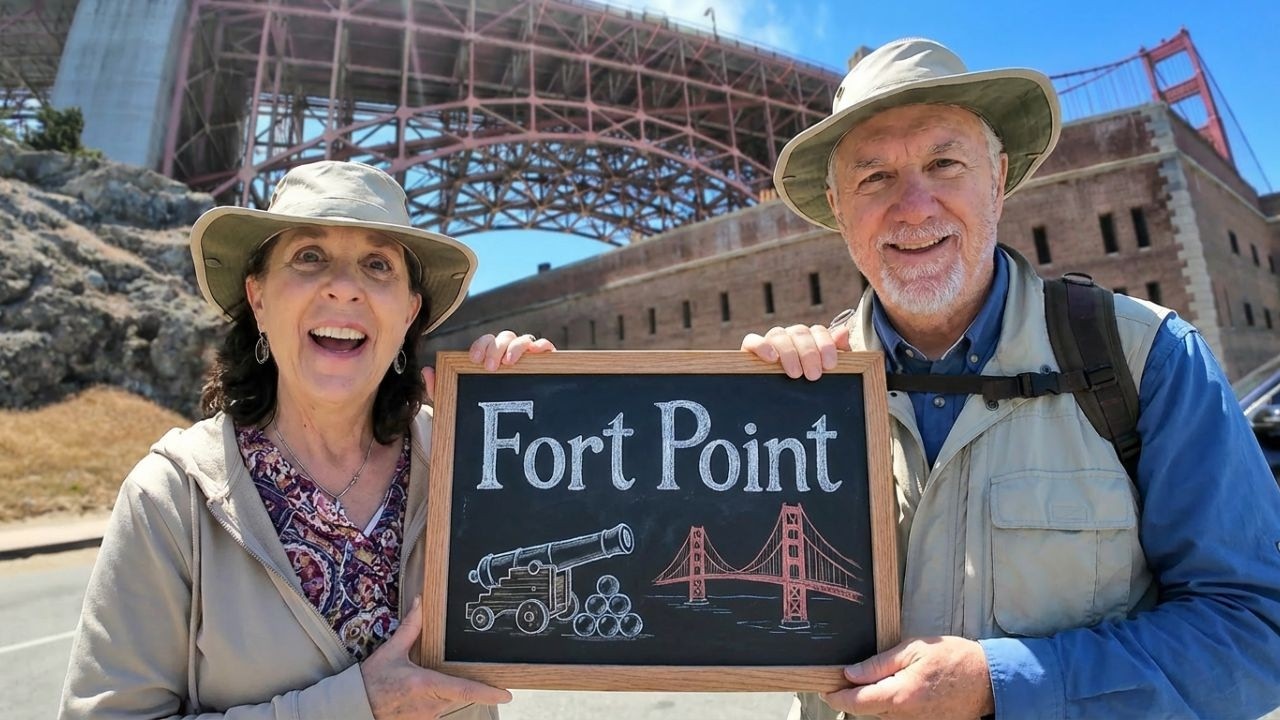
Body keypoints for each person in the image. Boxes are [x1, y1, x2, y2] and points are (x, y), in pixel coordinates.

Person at [742, 38, 1280, 719]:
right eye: (874, 177)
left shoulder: (1149, 359)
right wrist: (731, 413)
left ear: (997, 179)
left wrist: (1003, 682)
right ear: (837, 207)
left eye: (944, 163)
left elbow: (1257, 634)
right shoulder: (800, 394)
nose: (915, 206)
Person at [59, 161, 554, 719]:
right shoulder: (171, 499)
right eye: (309, 256)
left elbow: (577, 589)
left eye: (377, 265)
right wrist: (359, 706)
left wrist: (555, 422)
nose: (344, 287)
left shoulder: (469, 461)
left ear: (409, 312)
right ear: (259, 298)